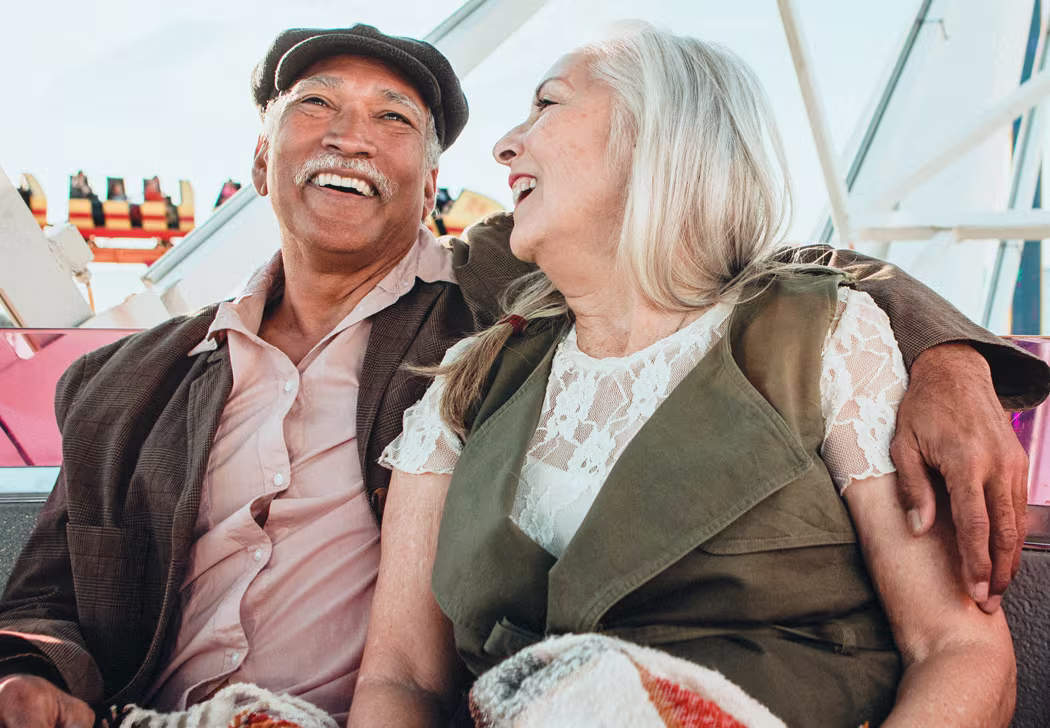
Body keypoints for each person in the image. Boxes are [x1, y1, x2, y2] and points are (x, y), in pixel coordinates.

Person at [0, 21, 1041, 728]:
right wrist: (29, 669)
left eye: (395, 120)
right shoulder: (120, 382)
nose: (349, 136)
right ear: (261, 149)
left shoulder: (484, 300)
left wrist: (947, 356)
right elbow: (43, 600)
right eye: (315, 106)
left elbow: (775, 269)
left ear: (432, 182)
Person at [350, 28, 1025, 727]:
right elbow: (401, 679)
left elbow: (957, 649)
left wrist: (952, 359)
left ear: (659, 135)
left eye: (546, 105)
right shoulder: (467, 383)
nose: (504, 145)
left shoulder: (824, 339)